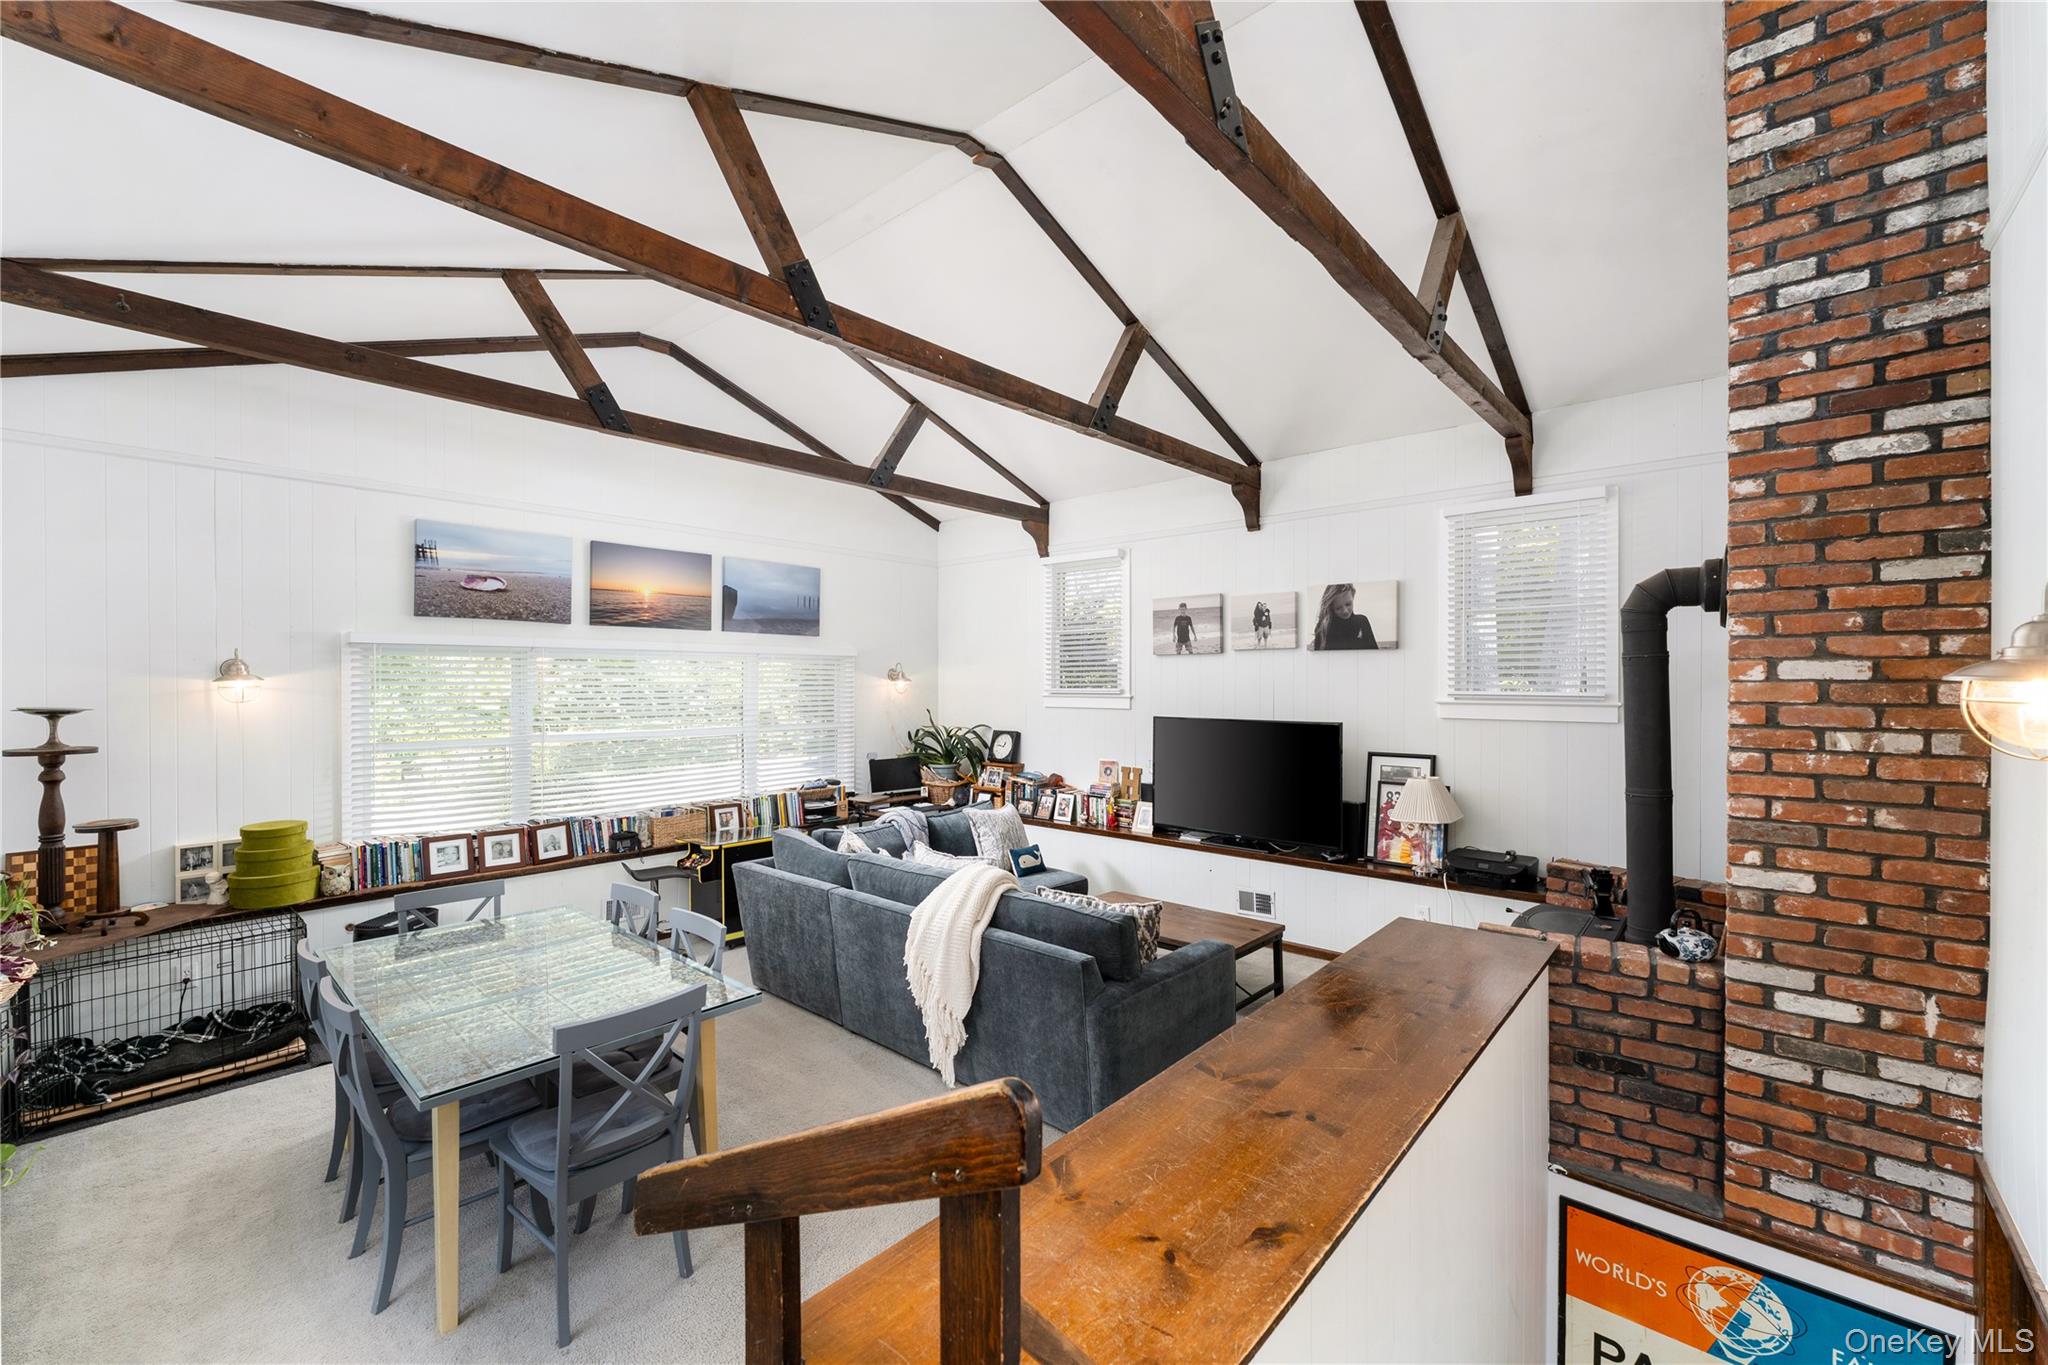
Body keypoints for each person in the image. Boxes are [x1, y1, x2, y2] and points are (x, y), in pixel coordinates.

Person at [1311, 583, 1378, 650]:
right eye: (1338, 608)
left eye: (1348, 604)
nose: (1345, 611)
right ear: (1331, 607)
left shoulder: (1362, 621)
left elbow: (1374, 652)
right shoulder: (1323, 628)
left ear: (1353, 597)